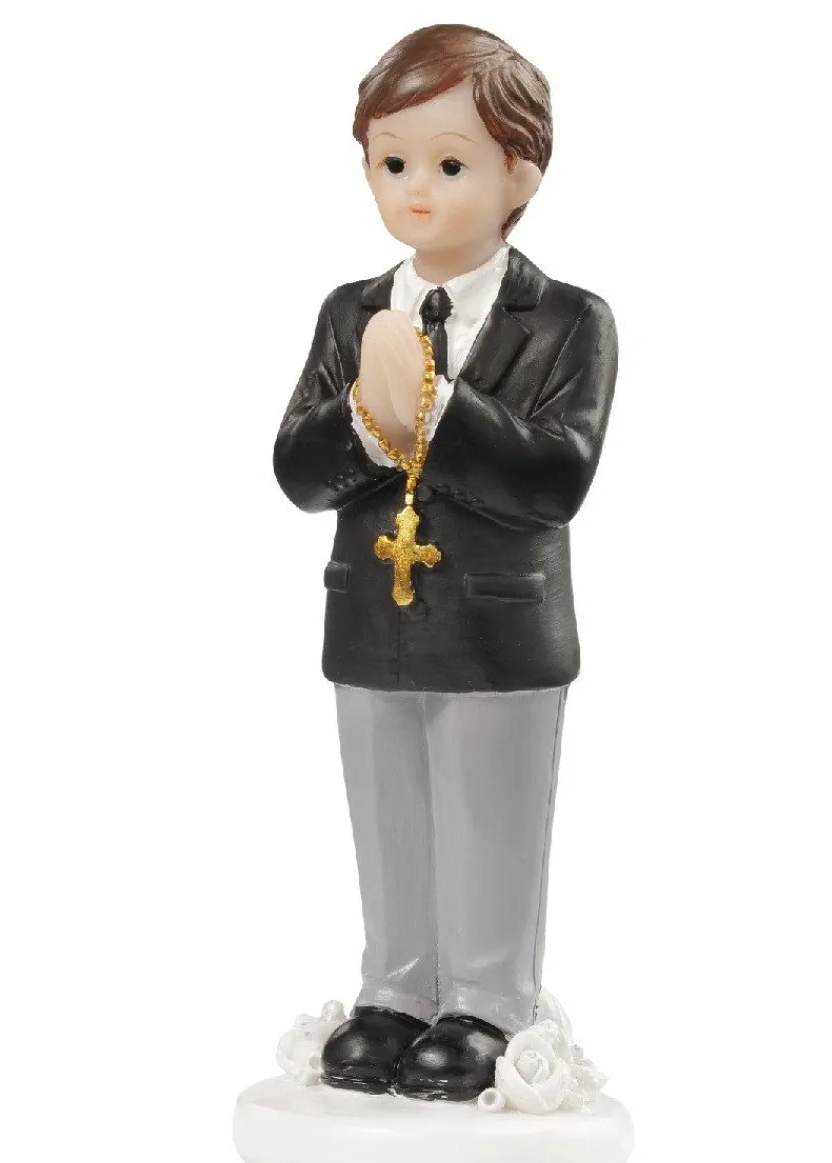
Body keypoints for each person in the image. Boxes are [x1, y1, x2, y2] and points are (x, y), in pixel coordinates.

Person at [273, 23, 618, 1102]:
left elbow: (555, 478)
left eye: (451, 164)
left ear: (521, 173)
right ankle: (396, 990)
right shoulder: (350, 313)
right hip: (371, 620)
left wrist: (434, 406)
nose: (416, 189)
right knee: (390, 814)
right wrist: (370, 424)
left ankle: (486, 1001)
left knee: (487, 814)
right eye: (392, 161)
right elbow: (298, 469)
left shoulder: (568, 322)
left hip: (499, 628)